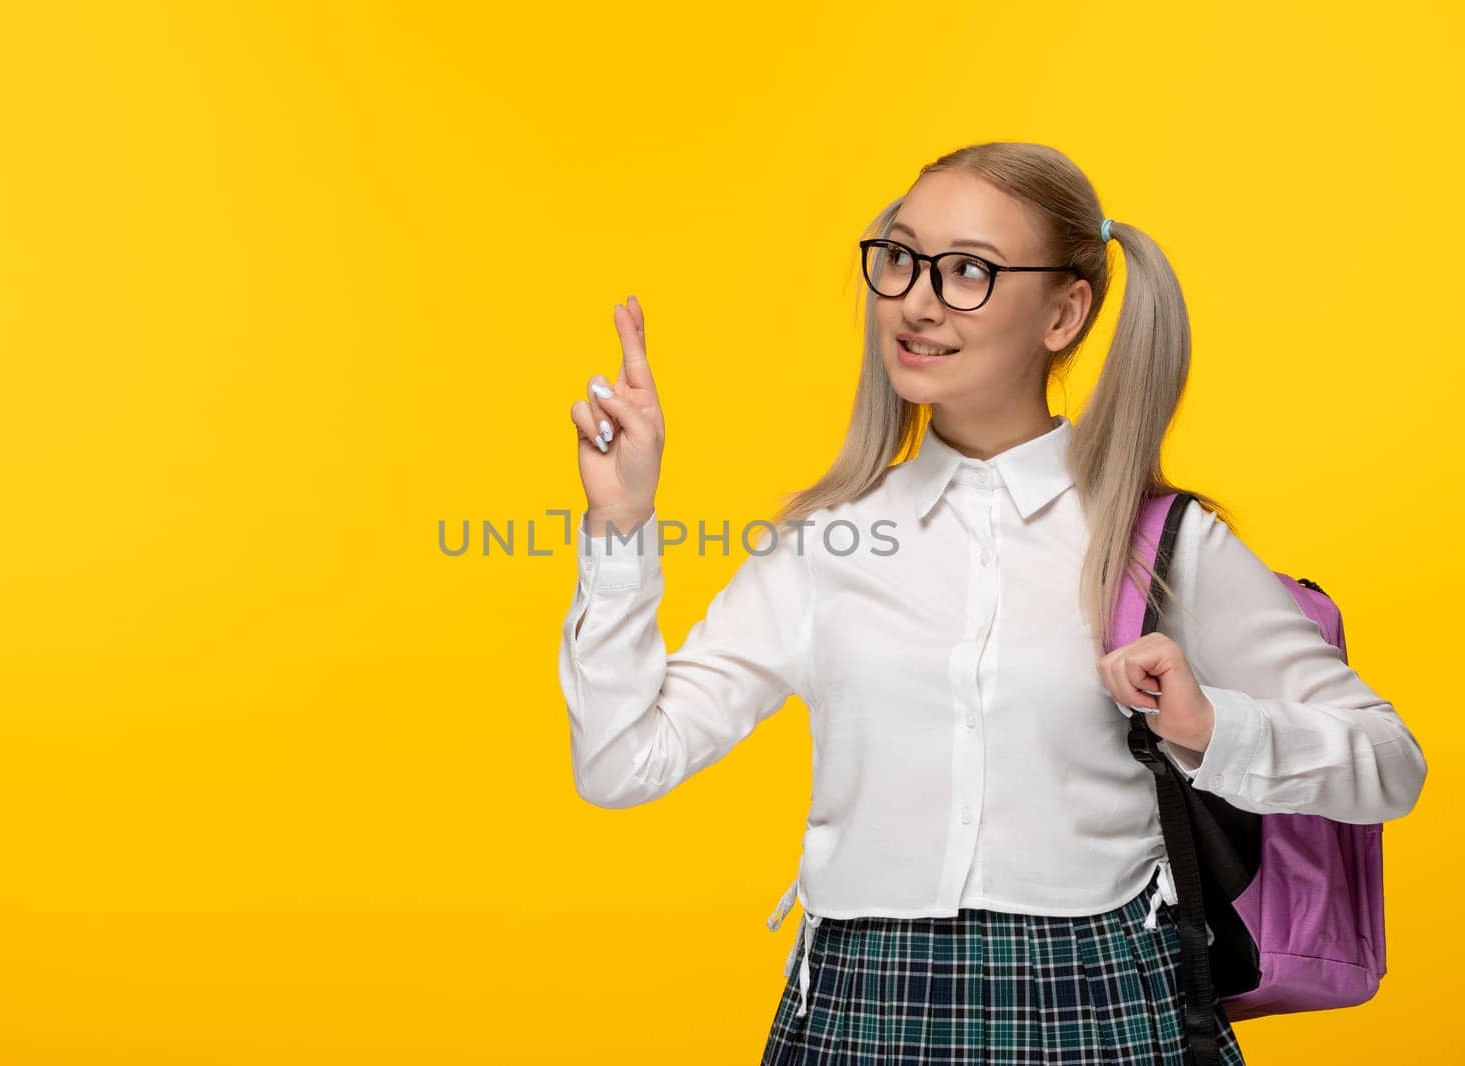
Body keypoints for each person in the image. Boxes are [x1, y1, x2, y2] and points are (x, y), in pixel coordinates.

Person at [557, 141, 1427, 1065]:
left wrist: (1212, 727)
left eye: (968, 270)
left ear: (1064, 311)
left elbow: (1390, 764)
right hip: (861, 1009)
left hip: (1103, 1005)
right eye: (900, 258)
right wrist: (621, 524)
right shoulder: (827, 542)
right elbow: (622, 764)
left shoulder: (1157, 542)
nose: (917, 300)